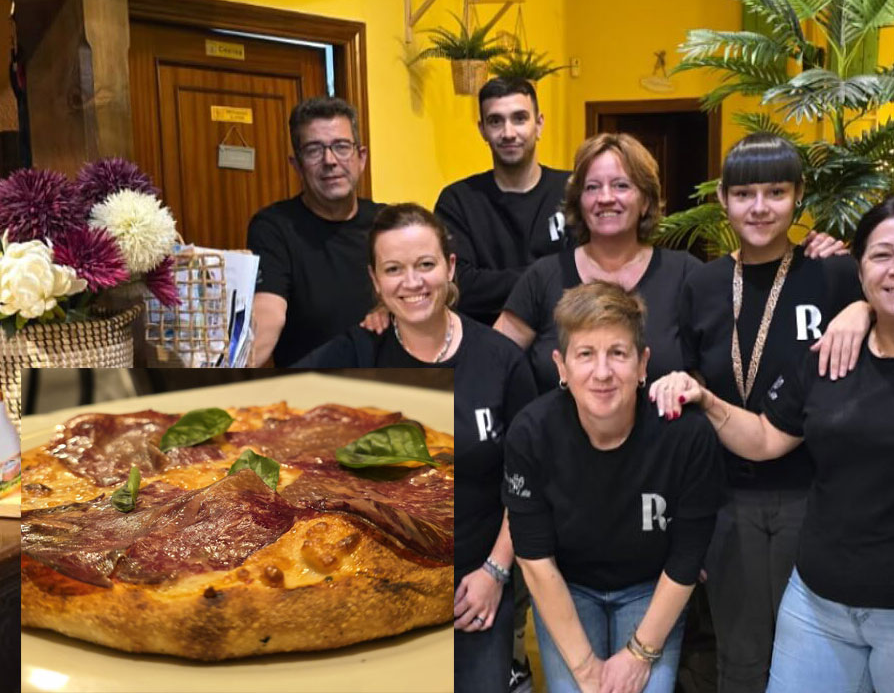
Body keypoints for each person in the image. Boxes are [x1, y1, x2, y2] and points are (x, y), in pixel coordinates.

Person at [651, 195, 894, 693]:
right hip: (815, 607)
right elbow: (765, 438)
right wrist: (708, 401)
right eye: (881, 255)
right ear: (861, 270)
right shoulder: (831, 356)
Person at [295, 203, 537, 693]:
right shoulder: (359, 354)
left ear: (449, 267)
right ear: (375, 280)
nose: (412, 282)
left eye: (425, 265)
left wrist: (495, 573)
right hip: (379, 590)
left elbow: (530, 484)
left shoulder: (501, 361)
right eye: (394, 270)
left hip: (475, 591)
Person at [669, 133, 869, 693]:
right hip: (727, 497)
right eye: (745, 194)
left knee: (814, 653)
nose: (760, 208)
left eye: (776, 192)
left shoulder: (831, 274)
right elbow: (691, 392)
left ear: (799, 195)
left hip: (813, 491)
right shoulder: (703, 284)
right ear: (725, 201)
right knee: (739, 653)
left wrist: (861, 307)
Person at [503, 282, 725, 693]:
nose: (602, 372)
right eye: (585, 354)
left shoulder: (685, 435)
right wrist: (587, 671)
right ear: (561, 367)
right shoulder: (531, 433)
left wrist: (639, 654)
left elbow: (687, 557)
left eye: (618, 354)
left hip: (650, 586)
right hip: (567, 586)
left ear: (643, 365)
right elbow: (534, 561)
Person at [494, 132, 701, 392]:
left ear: (646, 201)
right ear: (579, 202)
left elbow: (710, 376)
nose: (605, 198)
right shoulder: (543, 277)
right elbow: (491, 363)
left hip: (665, 431)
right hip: (555, 431)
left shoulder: (685, 274)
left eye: (621, 185)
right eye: (592, 187)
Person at [247, 96, 383, 367]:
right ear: (296, 165)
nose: (329, 160)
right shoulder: (274, 227)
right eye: (313, 150)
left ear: (361, 157)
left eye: (342, 147)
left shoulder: (387, 223)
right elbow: (268, 313)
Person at [435, 78, 571, 326]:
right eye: (496, 121)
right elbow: (458, 286)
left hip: (564, 343)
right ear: (482, 130)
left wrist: (493, 283)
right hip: (483, 345)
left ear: (539, 125)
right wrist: (550, 275)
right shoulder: (457, 201)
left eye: (519, 118)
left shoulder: (572, 190)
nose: (508, 133)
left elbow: (590, 273)